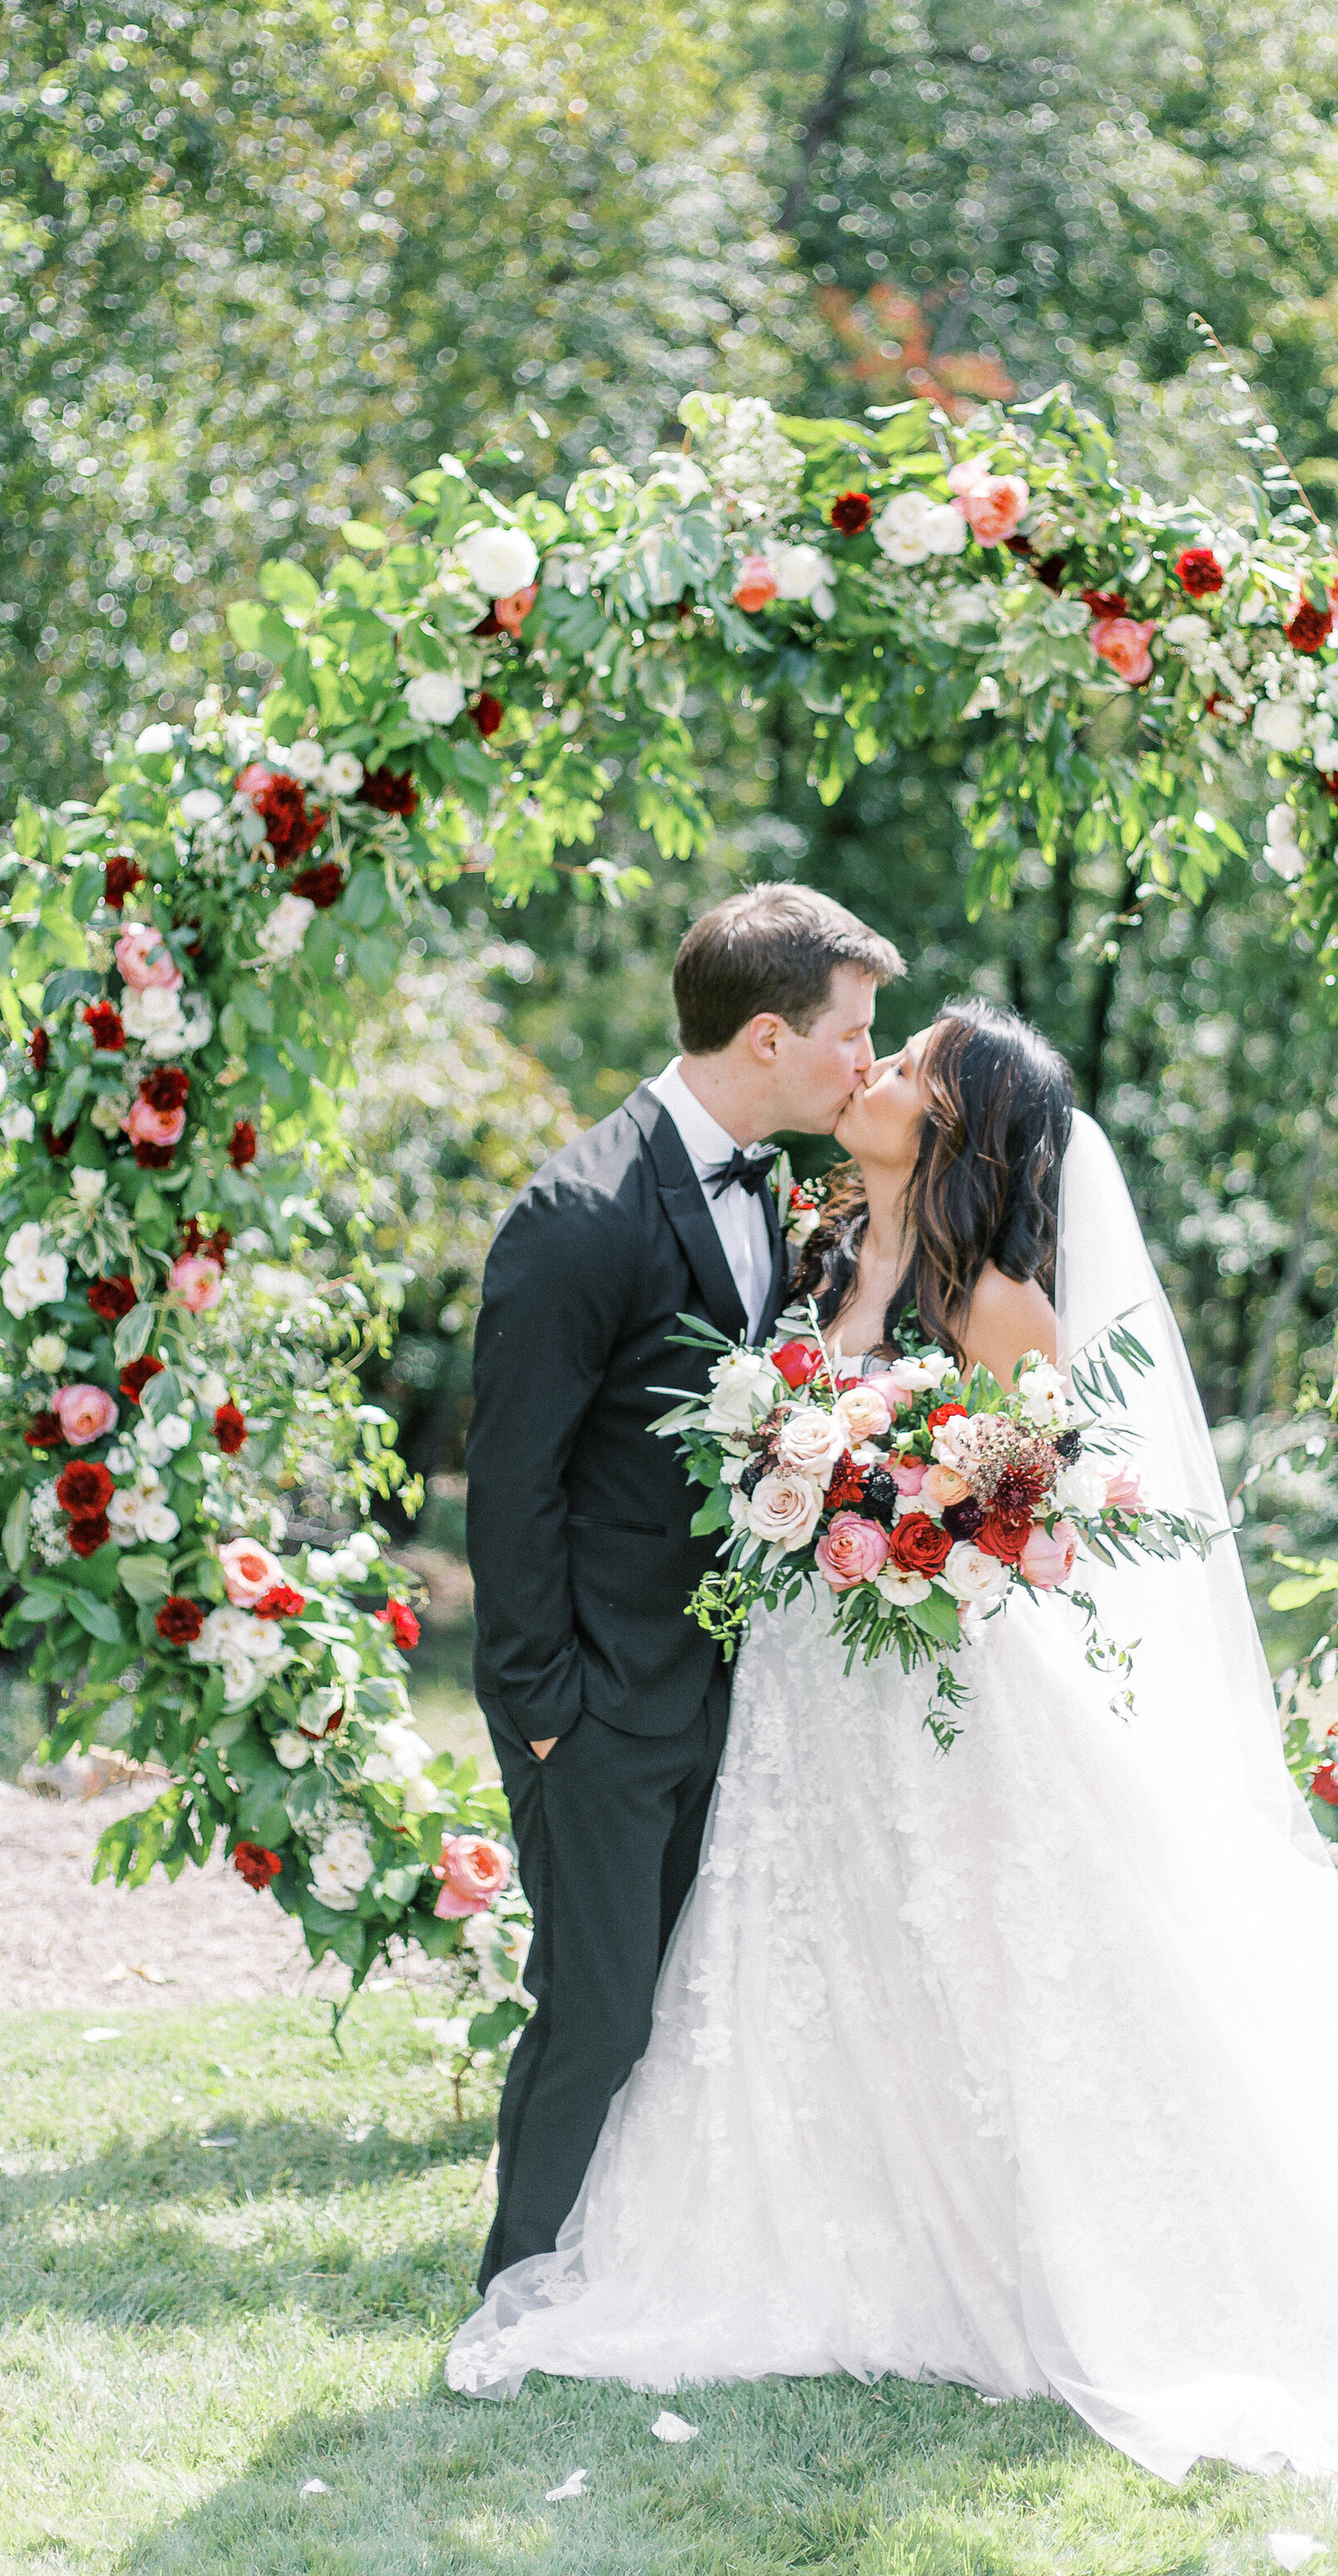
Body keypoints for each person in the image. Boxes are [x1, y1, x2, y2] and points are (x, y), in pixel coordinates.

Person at [451, 999, 1338, 2552]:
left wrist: (916, 1525)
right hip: (805, 1697)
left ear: (958, 1125)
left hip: (949, 1692)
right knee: (831, 1962)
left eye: (910, 1061)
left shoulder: (1001, 1306)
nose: (872, 1069)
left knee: (1001, 1964)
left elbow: (1044, 1522)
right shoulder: (812, 1247)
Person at [463, 880, 903, 2292]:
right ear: (768, 1036)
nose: (868, 1061)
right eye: (853, 1031)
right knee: (593, 2009)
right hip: (593, 1701)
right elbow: (510, 1490)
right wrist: (543, 1710)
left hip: (733, 1685)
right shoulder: (576, 1215)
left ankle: (636, 2260)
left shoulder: (771, 1184)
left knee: (685, 2001)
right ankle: (517, 2279)